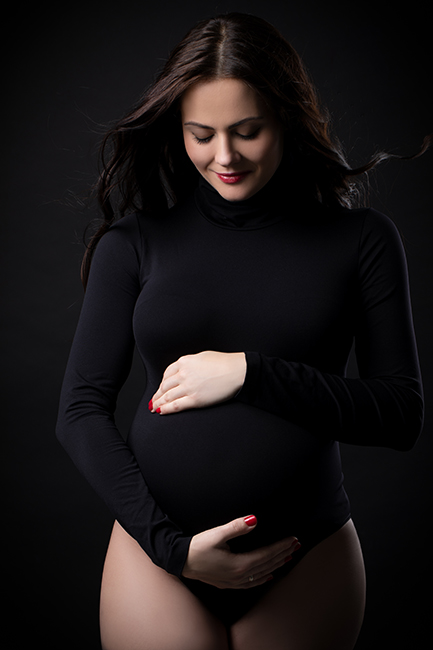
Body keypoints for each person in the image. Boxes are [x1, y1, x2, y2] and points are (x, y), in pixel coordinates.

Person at [56, 12, 427, 650]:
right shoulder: (136, 244)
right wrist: (172, 548)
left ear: (286, 117)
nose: (223, 156)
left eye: (247, 131)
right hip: (158, 555)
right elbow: (79, 412)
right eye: (201, 134)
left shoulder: (361, 241)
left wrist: (253, 373)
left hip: (305, 555)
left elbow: (400, 414)